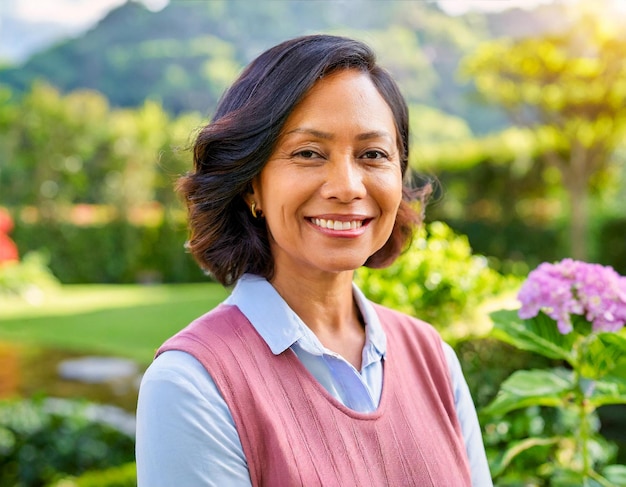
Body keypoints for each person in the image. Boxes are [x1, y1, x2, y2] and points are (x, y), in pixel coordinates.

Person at [136, 34, 492, 486]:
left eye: (373, 155)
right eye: (308, 153)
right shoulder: (192, 385)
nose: (347, 187)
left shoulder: (433, 359)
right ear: (251, 185)